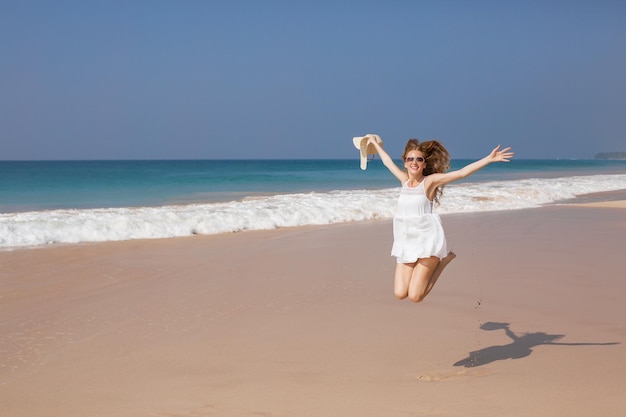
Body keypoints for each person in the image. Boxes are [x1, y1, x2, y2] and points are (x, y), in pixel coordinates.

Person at [367, 137, 514, 302]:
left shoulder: (429, 182)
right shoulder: (404, 182)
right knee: (400, 294)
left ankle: (443, 262)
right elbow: (387, 162)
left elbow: (461, 173)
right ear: (405, 163)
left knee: (415, 297)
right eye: (410, 159)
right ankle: (434, 264)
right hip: (406, 242)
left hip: (427, 241)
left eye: (419, 159)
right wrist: (374, 144)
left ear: (423, 164)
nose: (414, 162)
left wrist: (489, 158)